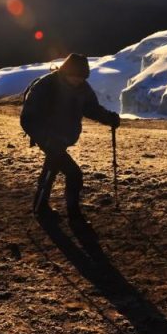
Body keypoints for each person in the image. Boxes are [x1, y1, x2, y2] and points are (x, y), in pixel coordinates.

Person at [20, 53, 121, 226]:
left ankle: (41, 208)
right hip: (48, 138)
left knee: (51, 167)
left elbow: (91, 108)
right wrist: (46, 139)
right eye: (74, 77)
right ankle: (74, 216)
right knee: (74, 174)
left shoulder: (82, 87)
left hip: (63, 137)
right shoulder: (46, 85)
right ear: (65, 71)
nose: (77, 81)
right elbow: (28, 118)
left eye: (81, 78)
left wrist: (109, 118)